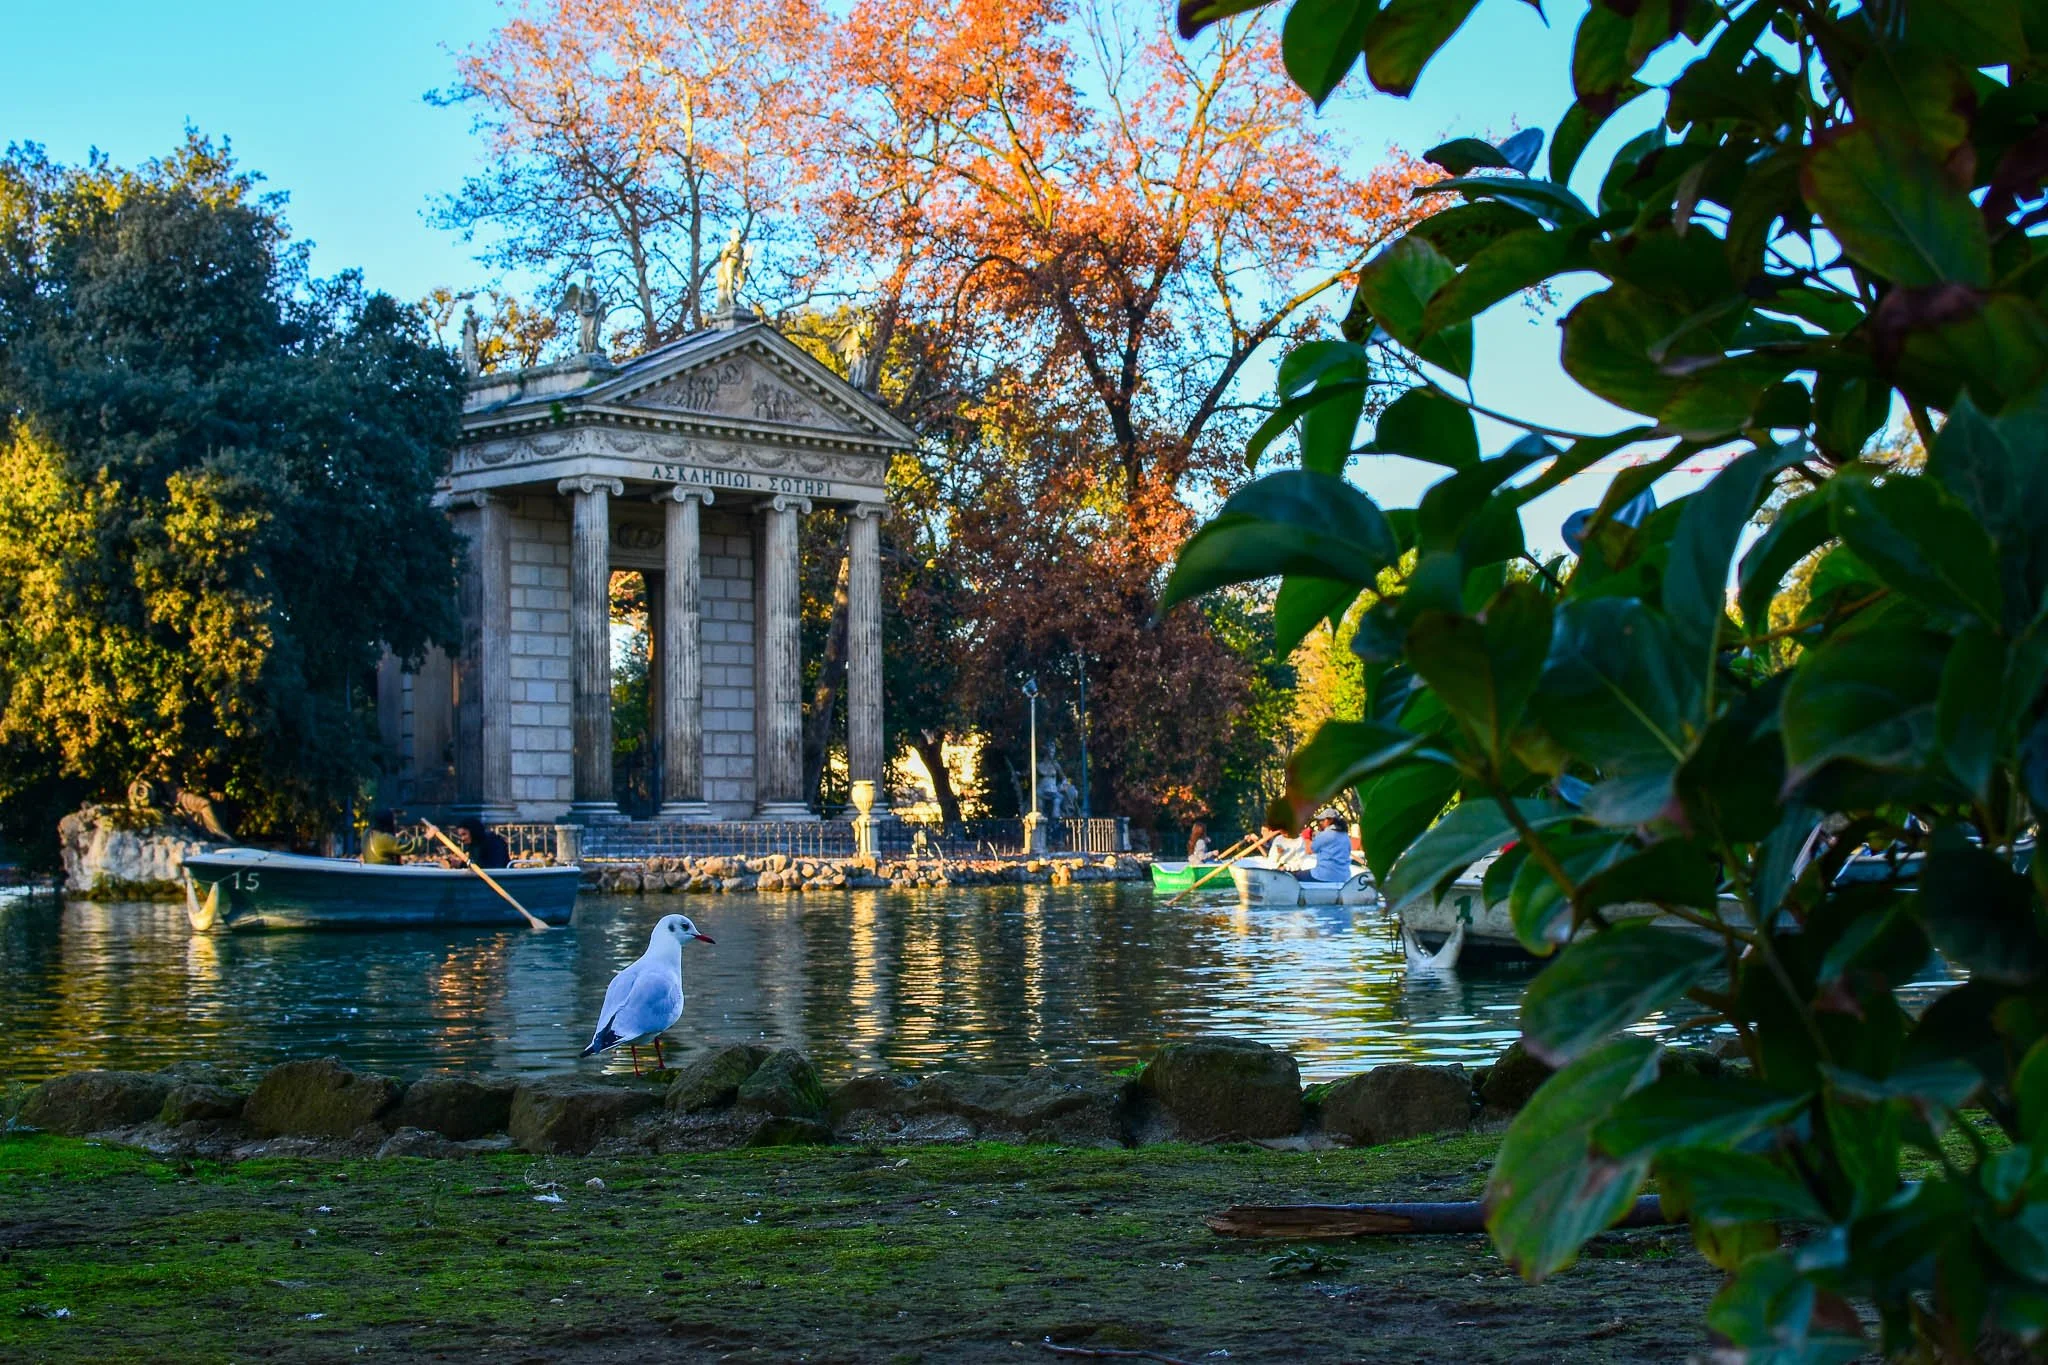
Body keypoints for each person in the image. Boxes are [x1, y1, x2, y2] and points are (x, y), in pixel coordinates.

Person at [1297, 808, 1354, 884]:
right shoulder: (1345, 836)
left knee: (1295, 876)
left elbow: (1309, 850)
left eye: (1322, 820)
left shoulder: (1325, 834)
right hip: (1344, 876)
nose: (1320, 823)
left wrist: (1306, 836)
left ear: (1329, 820)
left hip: (1324, 875)